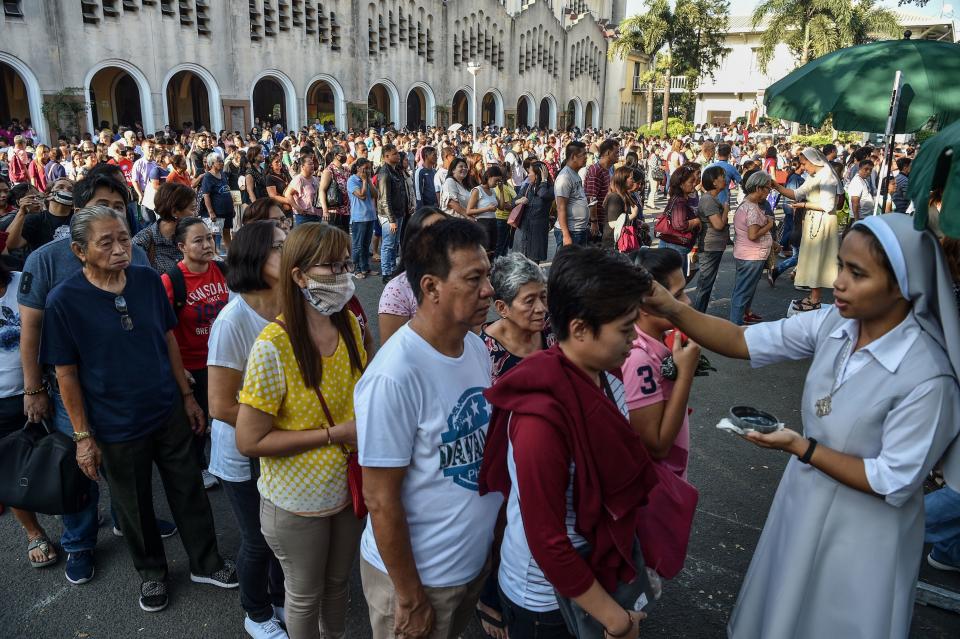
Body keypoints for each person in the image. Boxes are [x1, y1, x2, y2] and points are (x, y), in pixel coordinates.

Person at [645, 212, 960, 638]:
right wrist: (668, 307)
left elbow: (893, 480)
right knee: (783, 608)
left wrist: (802, 448)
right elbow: (741, 340)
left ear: (903, 284)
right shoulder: (836, 323)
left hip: (866, 528)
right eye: (841, 266)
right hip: (806, 496)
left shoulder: (927, 375)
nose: (839, 282)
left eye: (856, 273)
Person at [40, 205, 237, 611]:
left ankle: (206, 560)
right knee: (133, 504)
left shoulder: (147, 280)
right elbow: (67, 375)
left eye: (124, 239)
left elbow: (168, 339)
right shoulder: (64, 300)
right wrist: (82, 437)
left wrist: (186, 396)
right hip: (114, 423)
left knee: (189, 488)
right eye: (106, 243)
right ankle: (152, 574)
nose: (119, 249)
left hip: (166, 408)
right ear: (79, 251)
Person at [479, 245, 657, 639]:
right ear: (578, 329)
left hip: (591, 574)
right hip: (546, 600)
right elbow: (547, 541)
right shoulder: (541, 417)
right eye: (626, 329)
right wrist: (615, 619)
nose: (635, 340)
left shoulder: (605, 378)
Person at [356, 219, 503, 639]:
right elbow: (380, 499)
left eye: (487, 275)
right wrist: (409, 596)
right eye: (473, 279)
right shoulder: (394, 376)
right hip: (418, 583)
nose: (488, 290)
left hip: (467, 567)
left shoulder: (474, 347)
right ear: (431, 287)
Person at [236, 222, 367, 639]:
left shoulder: (348, 325)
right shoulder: (272, 346)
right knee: (304, 594)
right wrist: (334, 434)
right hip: (295, 504)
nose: (345, 274)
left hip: (348, 490)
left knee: (338, 585)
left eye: (346, 262)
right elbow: (250, 440)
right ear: (299, 275)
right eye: (333, 266)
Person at [208, 221, 288, 638]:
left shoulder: (295, 304)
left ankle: (279, 599)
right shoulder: (233, 320)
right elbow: (221, 405)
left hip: (284, 446)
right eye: (279, 246)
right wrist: (286, 426)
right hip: (243, 452)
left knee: (283, 536)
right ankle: (256, 614)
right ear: (255, 259)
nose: (289, 250)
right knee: (258, 540)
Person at [0, 258, 60, 570]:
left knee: (61, 455)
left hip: (40, 386)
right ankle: (33, 532)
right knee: (10, 469)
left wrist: (35, 387)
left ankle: (72, 506)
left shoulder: (23, 280)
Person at [161, 216, 229, 490]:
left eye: (209, 238)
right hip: (190, 366)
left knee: (222, 415)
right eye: (198, 240)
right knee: (196, 420)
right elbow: (161, 329)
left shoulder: (223, 270)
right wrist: (178, 369)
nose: (206, 244)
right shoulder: (171, 280)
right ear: (182, 247)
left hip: (222, 361)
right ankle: (197, 467)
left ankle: (224, 462)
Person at [623, 249, 698, 479]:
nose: (687, 302)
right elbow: (657, 446)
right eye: (677, 296)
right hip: (658, 491)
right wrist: (685, 374)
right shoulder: (638, 359)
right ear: (646, 304)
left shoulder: (659, 339)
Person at [770, 147, 840, 312]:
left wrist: (803, 205)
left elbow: (828, 205)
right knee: (811, 258)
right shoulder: (814, 175)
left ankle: (815, 298)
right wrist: (776, 187)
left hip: (822, 222)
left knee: (817, 259)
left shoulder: (827, 177)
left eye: (804, 163)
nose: (803, 167)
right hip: (814, 221)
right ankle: (813, 296)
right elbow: (797, 193)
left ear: (813, 161)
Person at [376, 207, 448, 343]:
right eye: (432, 234)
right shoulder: (397, 290)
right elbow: (391, 351)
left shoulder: (459, 278)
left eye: (446, 231)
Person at [481, 252, 555, 382]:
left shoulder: (553, 326)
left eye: (543, 297)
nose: (541, 308)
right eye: (529, 301)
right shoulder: (483, 353)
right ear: (502, 308)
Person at [729, 172, 775, 326]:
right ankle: (735, 326)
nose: (769, 193)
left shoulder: (747, 204)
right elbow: (753, 235)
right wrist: (769, 224)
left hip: (746, 254)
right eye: (768, 189)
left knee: (742, 289)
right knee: (743, 292)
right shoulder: (752, 209)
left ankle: (739, 320)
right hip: (751, 255)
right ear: (758, 188)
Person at [133, 182, 195, 273]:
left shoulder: (193, 236)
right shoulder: (142, 242)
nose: (196, 214)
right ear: (174, 212)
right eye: (192, 209)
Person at [693, 166, 730, 313]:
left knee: (706, 284)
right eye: (722, 176)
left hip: (713, 246)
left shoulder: (710, 198)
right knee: (705, 285)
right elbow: (718, 225)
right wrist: (726, 210)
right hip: (710, 247)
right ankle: (697, 317)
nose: (725, 179)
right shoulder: (709, 200)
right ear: (714, 182)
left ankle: (698, 316)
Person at [4, 178, 74, 252]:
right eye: (60, 187)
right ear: (48, 195)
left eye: (70, 190)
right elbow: (10, 244)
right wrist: (21, 213)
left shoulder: (79, 216)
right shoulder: (35, 219)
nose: (66, 191)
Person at [377, 144, 412, 283]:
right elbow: (385, 199)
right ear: (386, 156)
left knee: (395, 243)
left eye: (397, 153)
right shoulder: (385, 173)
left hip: (399, 212)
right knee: (388, 244)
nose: (398, 156)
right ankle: (386, 272)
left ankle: (392, 269)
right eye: (394, 154)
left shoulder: (396, 170)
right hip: (389, 215)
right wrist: (391, 220)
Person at [657, 165, 701, 267]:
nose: (694, 184)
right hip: (675, 246)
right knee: (676, 280)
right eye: (691, 182)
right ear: (681, 184)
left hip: (675, 246)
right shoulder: (680, 201)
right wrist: (697, 221)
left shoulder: (679, 198)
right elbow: (680, 225)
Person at [513, 161, 553, 264]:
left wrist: (543, 180)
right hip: (523, 231)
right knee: (520, 263)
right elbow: (513, 202)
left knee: (533, 265)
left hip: (537, 233)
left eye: (530, 172)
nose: (528, 174)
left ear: (537, 174)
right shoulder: (527, 187)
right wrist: (519, 201)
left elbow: (543, 194)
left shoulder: (550, 188)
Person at [554, 141, 590, 247]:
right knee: (567, 263)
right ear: (574, 157)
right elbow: (561, 207)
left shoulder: (575, 174)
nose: (586, 157)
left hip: (579, 230)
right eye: (583, 154)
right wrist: (566, 235)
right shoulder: (565, 177)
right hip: (571, 232)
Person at [347, 158, 378, 279]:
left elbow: (376, 195)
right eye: (365, 168)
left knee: (366, 245)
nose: (368, 170)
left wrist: (369, 181)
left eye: (369, 168)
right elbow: (362, 195)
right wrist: (365, 181)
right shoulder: (352, 180)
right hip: (359, 218)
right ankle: (356, 269)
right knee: (358, 245)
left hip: (370, 216)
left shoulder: (368, 179)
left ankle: (365, 267)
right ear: (358, 168)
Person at [200, 153, 236, 251]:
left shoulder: (223, 174)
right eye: (219, 161)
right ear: (212, 163)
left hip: (227, 210)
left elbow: (228, 191)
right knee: (214, 235)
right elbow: (206, 195)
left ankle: (230, 254)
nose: (222, 163)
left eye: (222, 160)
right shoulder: (208, 177)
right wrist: (211, 212)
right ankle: (214, 255)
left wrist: (232, 208)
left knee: (227, 232)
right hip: (217, 211)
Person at [467, 166, 506, 255]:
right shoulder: (477, 190)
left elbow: (501, 207)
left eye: (499, 181)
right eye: (496, 180)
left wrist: (501, 191)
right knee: (485, 251)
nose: (497, 183)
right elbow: (469, 211)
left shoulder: (492, 190)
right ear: (489, 177)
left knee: (493, 251)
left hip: (493, 222)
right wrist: (487, 209)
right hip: (482, 223)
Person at [601, 166, 639, 251]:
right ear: (623, 179)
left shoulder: (624, 195)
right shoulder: (615, 197)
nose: (633, 181)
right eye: (631, 178)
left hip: (622, 242)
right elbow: (612, 223)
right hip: (614, 244)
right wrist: (633, 215)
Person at [318, 147, 351, 232]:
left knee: (344, 238)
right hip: (334, 211)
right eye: (343, 154)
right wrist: (325, 210)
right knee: (335, 239)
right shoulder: (329, 171)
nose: (345, 156)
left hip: (346, 211)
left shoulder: (346, 170)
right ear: (336, 156)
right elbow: (322, 190)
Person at [286, 155, 322, 226]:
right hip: (305, 217)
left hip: (317, 215)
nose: (312, 166)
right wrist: (297, 208)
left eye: (312, 163)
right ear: (302, 167)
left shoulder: (315, 179)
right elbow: (288, 194)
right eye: (309, 164)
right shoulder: (299, 179)